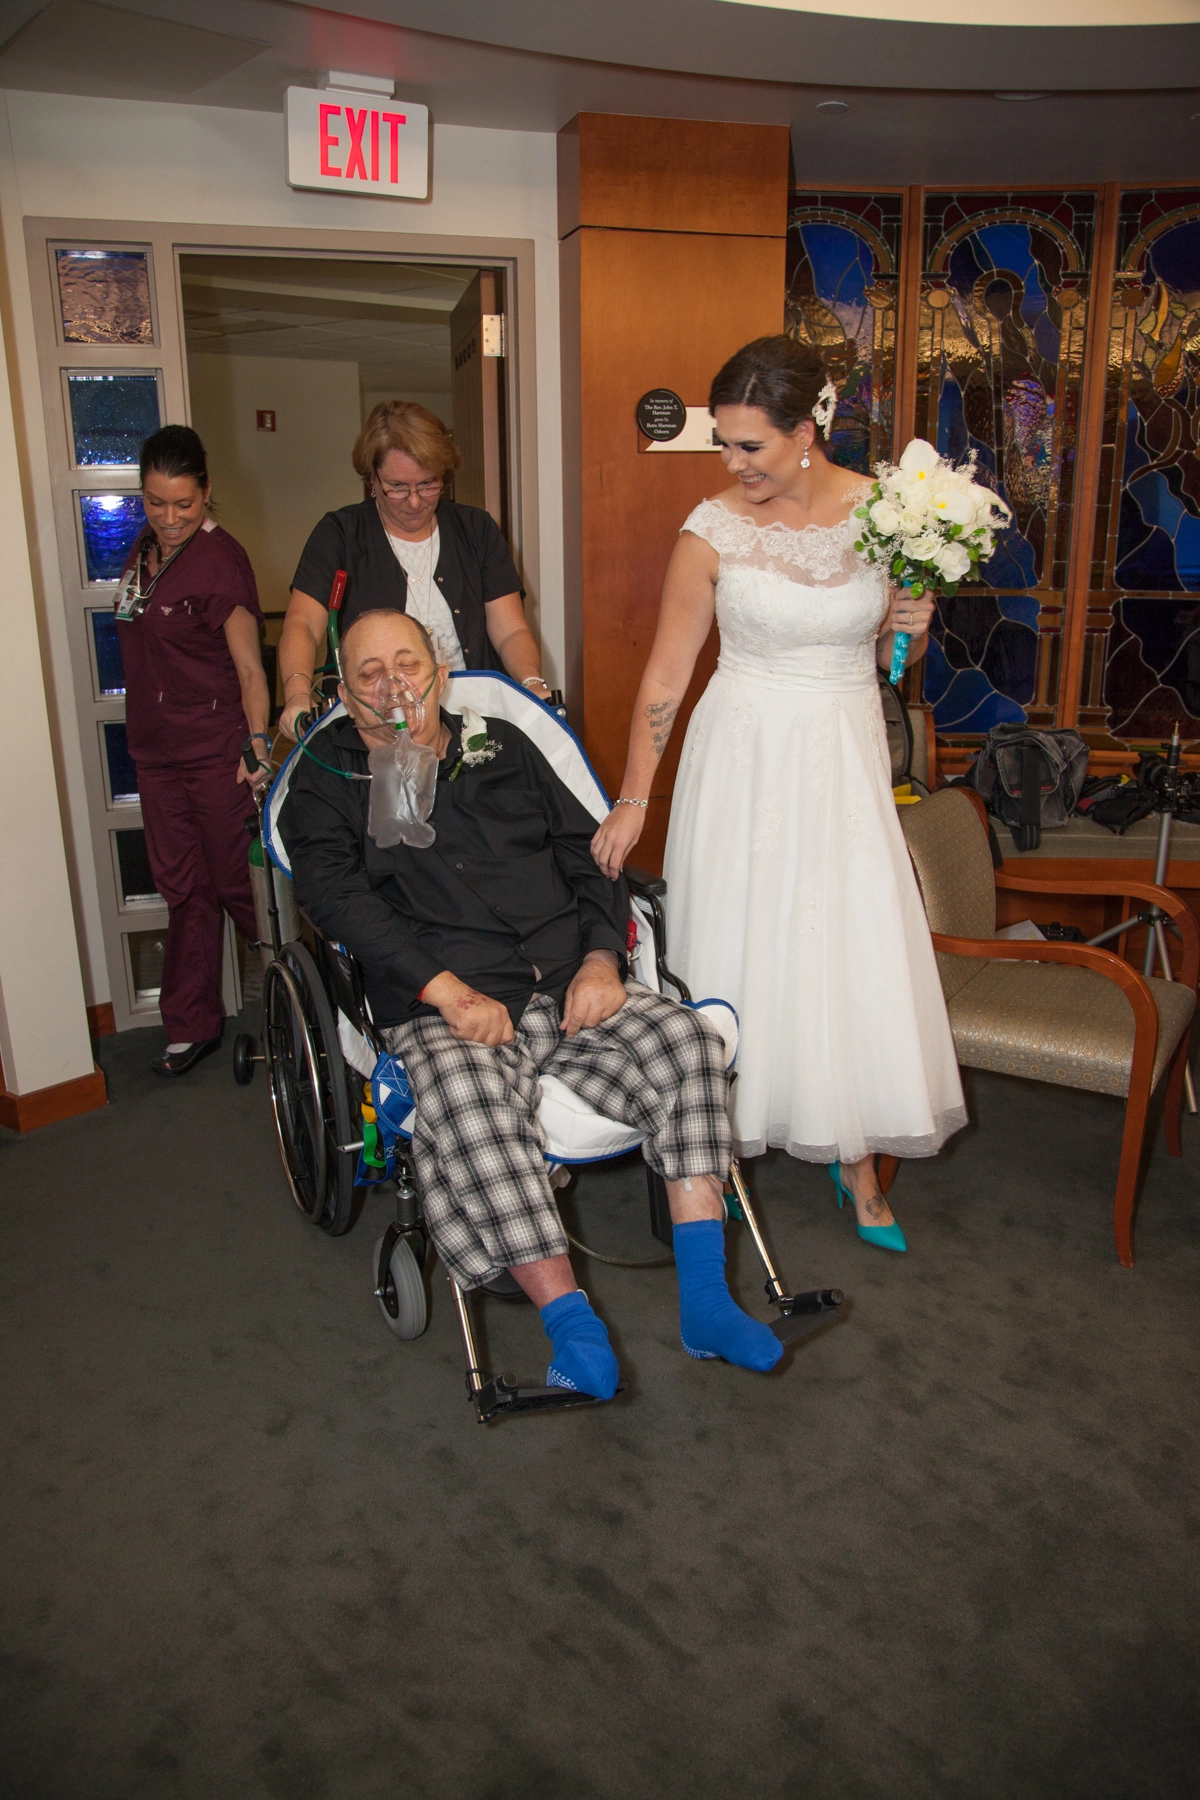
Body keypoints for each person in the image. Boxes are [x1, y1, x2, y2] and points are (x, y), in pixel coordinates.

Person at [279, 608, 787, 1397]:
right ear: (345, 693)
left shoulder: (503, 746)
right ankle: (573, 1329)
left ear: (438, 672)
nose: (392, 686)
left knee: (689, 1045)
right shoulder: (324, 781)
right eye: (369, 673)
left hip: (567, 983)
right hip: (448, 1004)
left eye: (406, 664)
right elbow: (337, 901)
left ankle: (709, 1305)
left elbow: (590, 861)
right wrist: (446, 993)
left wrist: (600, 960)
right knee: (475, 1110)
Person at [592, 336, 966, 1251]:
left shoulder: (886, 517)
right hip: (743, 755)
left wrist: (907, 623)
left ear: (806, 432)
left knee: (848, 942)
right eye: (723, 442)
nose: (731, 464)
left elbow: (884, 661)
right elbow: (665, 680)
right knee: (740, 944)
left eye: (748, 445)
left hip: (840, 750)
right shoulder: (709, 530)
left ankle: (857, 1158)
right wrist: (635, 800)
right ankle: (710, 1153)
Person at [117, 425, 270, 1077]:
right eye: (157, 502)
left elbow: (250, 670)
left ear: (207, 492)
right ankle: (191, 1022)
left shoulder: (221, 560)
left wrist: (257, 743)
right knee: (183, 889)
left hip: (215, 752)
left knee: (242, 886)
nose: (171, 517)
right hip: (156, 754)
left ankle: (309, 1009)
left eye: (184, 503)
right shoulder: (139, 552)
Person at [277, 401, 552, 738]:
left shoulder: (475, 529)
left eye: (427, 484)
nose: (414, 501)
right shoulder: (339, 534)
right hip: (378, 724)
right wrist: (297, 697)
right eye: (397, 487)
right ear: (372, 479)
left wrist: (532, 684)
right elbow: (302, 624)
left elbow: (510, 629)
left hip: (474, 718)